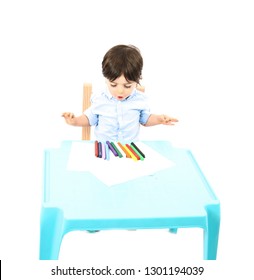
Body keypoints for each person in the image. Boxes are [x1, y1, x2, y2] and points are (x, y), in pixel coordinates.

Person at [62, 44, 178, 142]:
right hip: (104, 150)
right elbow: (89, 119)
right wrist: (74, 121)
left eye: (127, 86)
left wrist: (159, 119)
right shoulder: (99, 98)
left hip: (130, 152)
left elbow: (145, 120)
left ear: (137, 80)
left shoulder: (139, 99)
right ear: (106, 79)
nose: (120, 91)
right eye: (113, 85)